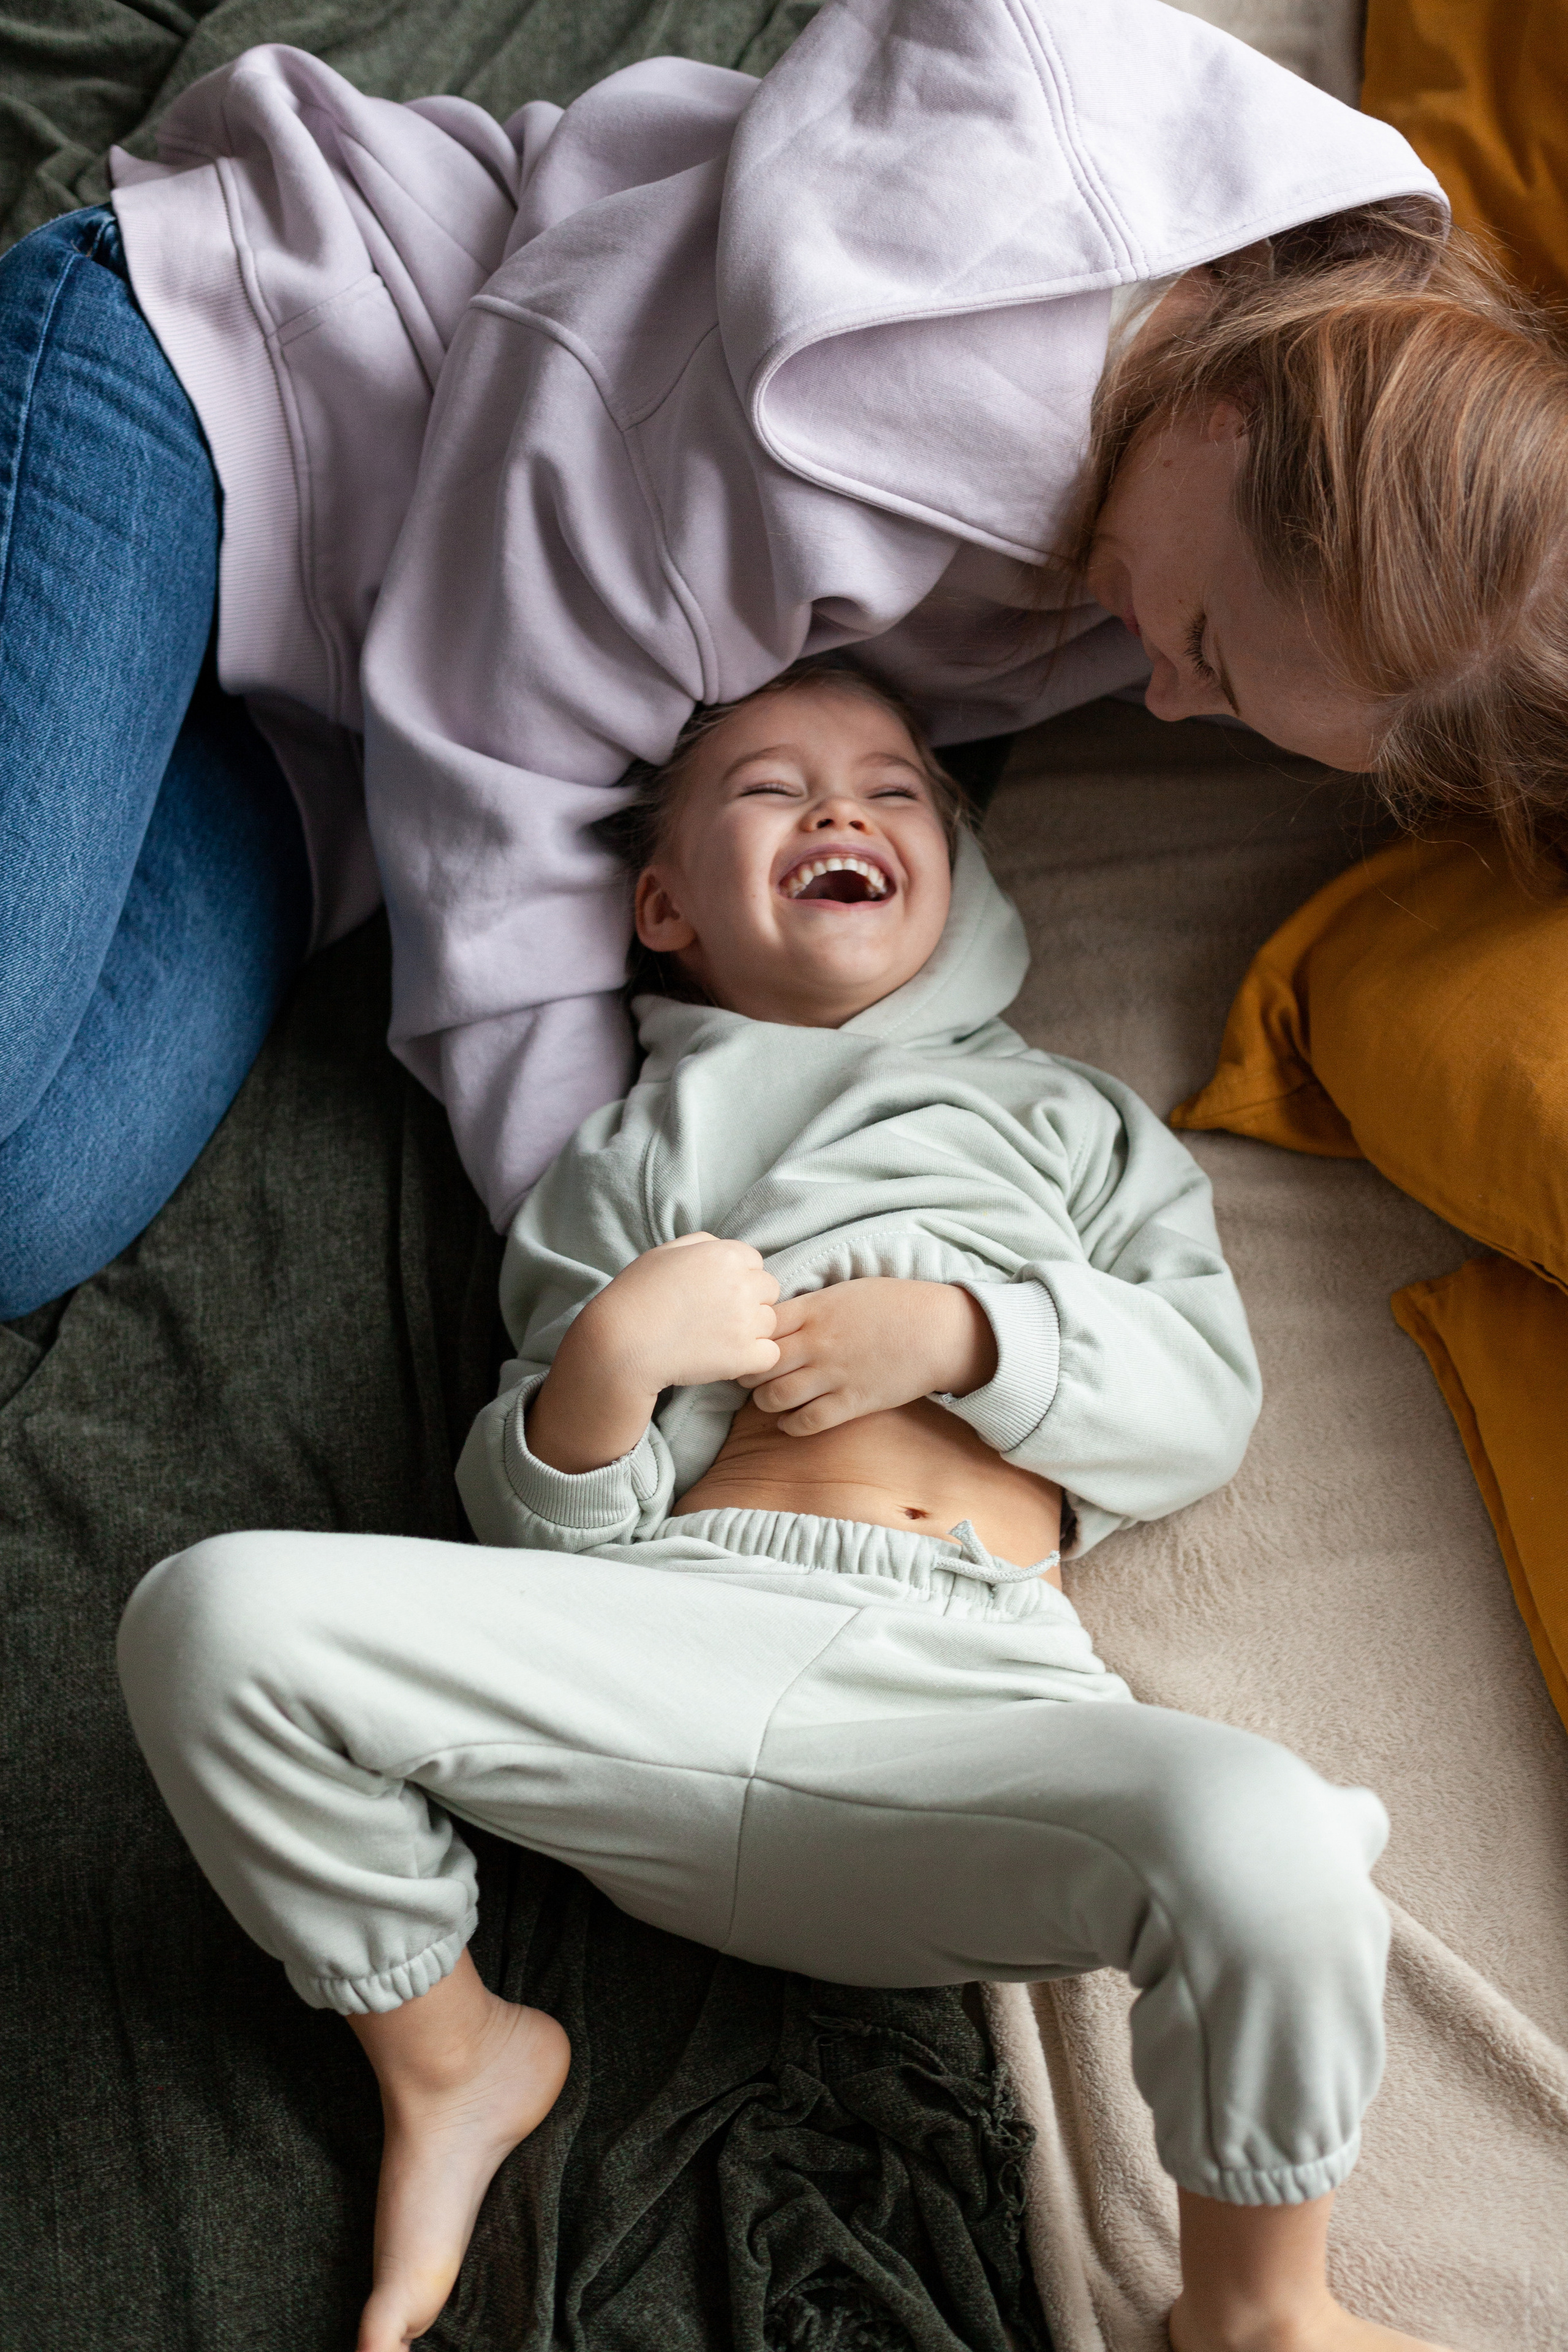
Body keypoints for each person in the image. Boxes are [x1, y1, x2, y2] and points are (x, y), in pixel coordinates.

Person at [121, 663, 1459, 2352]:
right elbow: (550, 1546)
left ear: (958, 876)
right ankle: (455, 2052)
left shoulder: (1070, 1121)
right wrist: (605, 1369)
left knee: (1267, 1839)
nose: (842, 809)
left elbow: (1203, 1399)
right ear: (664, 902)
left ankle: (1259, 2307)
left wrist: (978, 1334)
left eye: (896, 788)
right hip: (673, 1649)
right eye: (769, 785)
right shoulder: (629, 1149)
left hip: (970, 1700)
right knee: (210, 1614)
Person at [6, 0, 1568, 1314]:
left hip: (322, 728)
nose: (1158, 693)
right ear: (1233, 416)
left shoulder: (1245, 474)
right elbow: (500, 762)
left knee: (28, 1209)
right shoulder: (827, 409)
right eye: (1207, 649)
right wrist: (609, 1259)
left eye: (1219, 710)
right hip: (218, 385)